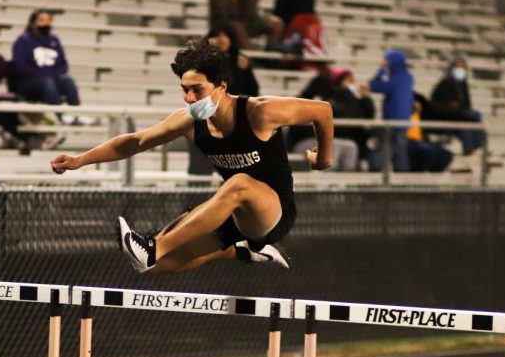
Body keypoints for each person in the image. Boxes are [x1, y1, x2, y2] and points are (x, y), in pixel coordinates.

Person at [50, 39, 334, 275]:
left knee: (238, 183)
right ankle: (240, 251)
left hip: (273, 212)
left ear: (222, 87)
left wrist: (322, 159)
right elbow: (136, 141)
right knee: (157, 267)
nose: (189, 98)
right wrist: (79, 160)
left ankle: (153, 248)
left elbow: (322, 111)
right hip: (233, 214)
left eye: (198, 90)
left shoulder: (259, 112)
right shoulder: (188, 121)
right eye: (185, 90)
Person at [188, 24, 260, 175]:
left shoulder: (241, 63)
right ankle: (197, 194)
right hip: (208, 117)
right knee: (201, 162)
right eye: (216, 35)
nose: (221, 39)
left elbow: (253, 92)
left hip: (235, 119)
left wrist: (245, 68)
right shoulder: (201, 64)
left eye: (225, 35)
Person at [287, 68, 359, 171]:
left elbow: (347, 116)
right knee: (330, 145)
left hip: (323, 140)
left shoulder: (331, 103)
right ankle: (326, 181)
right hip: (301, 142)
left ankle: (345, 183)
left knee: (351, 146)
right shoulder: (301, 101)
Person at [9, 9, 81, 109]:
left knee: (68, 80)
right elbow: (20, 67)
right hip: (27, 82)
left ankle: (75, 115)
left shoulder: (54, 40)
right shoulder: (23, 40)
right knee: (47, 82)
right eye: (42, 20)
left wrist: (52, 75)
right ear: (33, 22)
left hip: (51, 80)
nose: (46, 24)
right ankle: (59, 117)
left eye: (49, 21)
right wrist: (46, 74)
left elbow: (63, 65)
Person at [427, 56, 486, 155]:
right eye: (458, 68)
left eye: (463, 68)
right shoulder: (444, 84)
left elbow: (467, 105)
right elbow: (434, 105)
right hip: (445, 117)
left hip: (459, 114)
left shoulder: (463, 85)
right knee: (468, 122)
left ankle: (479, 147)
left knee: (475, 116)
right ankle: (470, 150)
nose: (461, 70)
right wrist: (450, 106)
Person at [369, 49, 414, 172]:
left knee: (391, 148)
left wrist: (381, 70)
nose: (385, 62)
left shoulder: (397, 79)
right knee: (399, 148)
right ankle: (400, 173)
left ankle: (378, 169)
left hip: (394, 120)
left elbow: (374, 85)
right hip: (403, 120)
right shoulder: (407, 77)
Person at [208, 0, 285, 51]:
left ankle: (271, 57)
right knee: (238, 26)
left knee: (277, 24)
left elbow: (250, 12)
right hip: (225, 23)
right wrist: (233, 2)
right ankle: (249, 55)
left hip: (248, 20)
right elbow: (224, 14)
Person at [407, 95, 453, 173]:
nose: (418, 105)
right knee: (428, 152)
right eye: (415, 103)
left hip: (422, 141)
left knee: (447, 154)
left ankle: (434, 176)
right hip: (410, 141)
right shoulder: (404, 116)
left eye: (419, 104)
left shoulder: (420, 117)